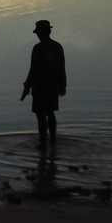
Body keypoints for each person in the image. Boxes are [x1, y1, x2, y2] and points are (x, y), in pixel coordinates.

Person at [21, 19, 65, 147]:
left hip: (40, 86)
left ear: (40, 33)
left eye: (38, 33)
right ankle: (53, 140)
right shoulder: (57, 47)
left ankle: (42, 143)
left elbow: (33, 69)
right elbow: (61, 67)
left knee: (40, 115)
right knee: (50, 113)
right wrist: (62, 84)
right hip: (53, 85)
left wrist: (27, 86)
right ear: (49, 31)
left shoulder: (38, 48)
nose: (37, 35)